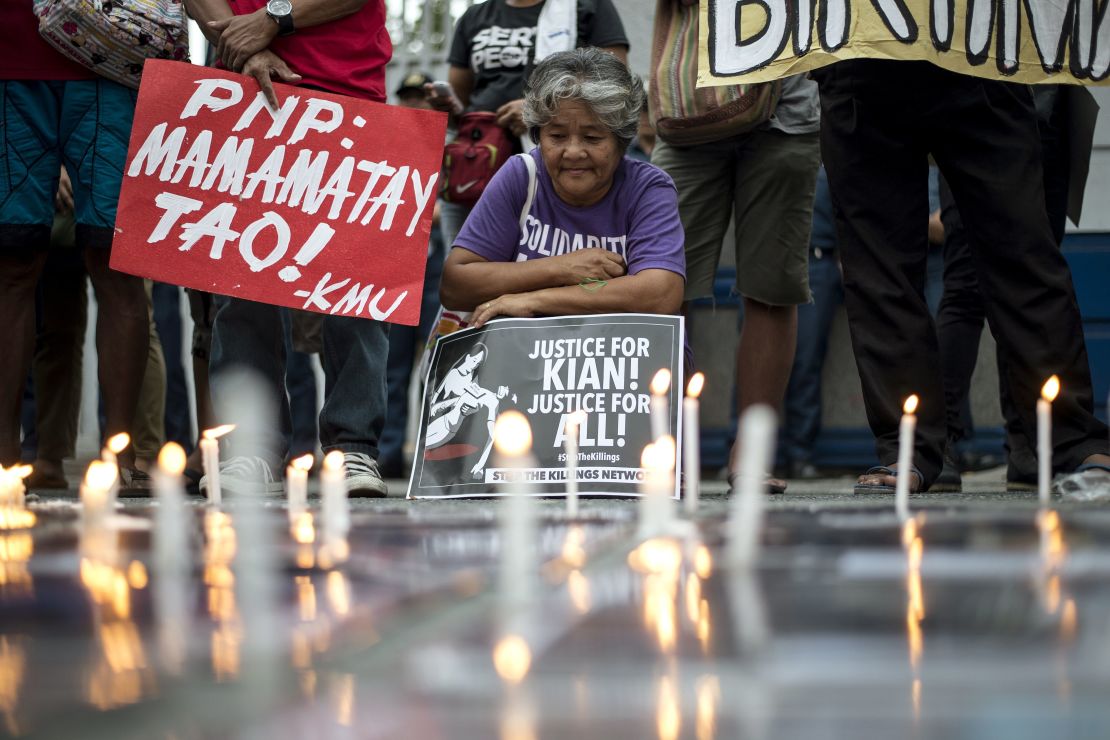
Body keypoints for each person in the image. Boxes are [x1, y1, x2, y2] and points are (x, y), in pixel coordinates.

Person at [811, 59, 1110, 494]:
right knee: (884, 268)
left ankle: (1069, 437)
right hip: (911, 50)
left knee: (1021, 252)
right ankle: (913, 444)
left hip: (963, 46)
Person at [186, 0, 394, 496]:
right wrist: (239, 46)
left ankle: (354, 450)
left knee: (355, 286)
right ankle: (252, 448)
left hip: (348, 87)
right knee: (241, 282)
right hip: (244, 83)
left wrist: (273, 20)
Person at [650, 37, 821, 493]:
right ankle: (657, 445)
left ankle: (751, 452)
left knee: (772, 285)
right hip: (688, 108)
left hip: (784, 109)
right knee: (657, 282)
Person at [0, 4, 150, 481]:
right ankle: (5, 455)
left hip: (110, 54)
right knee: (13, 261)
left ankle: (120, 455)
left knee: (116, 260)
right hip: (11, 61)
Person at [440, 47, 685, 328]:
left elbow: (660, 294)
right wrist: (563, 268)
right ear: (538, 136)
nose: (572, 152)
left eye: (592, 138)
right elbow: (455, 285)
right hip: (521, 361)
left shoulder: (648, 188)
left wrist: (533, 299)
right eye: (556, 136)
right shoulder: (522, 175)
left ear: (621, 141)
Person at [427, 0, 629, 250]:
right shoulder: (475, 16)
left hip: (552, 167)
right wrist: (450, 107)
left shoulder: (587, 6)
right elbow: (463, 101)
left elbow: (616, 85)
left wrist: (538, 108)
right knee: (467, 262)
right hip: (477, 167)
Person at [379, 72, 448, 479]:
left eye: (421, 98)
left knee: (438, 360)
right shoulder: (388, 148)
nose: (415, 105)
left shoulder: (451, 146)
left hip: (438, 265)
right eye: (407, 97)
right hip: (399, 266)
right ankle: (387, 452)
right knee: (393, 364)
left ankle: (434, 453)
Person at [781, 166, 843, 479]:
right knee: (753, 360)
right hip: (771, 260)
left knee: (806, 362)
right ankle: (744, 449)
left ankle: (799, 452)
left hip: (818, 261)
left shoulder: (827, 164)